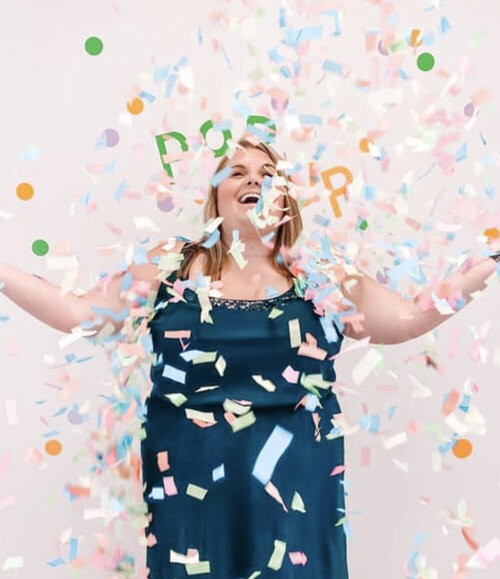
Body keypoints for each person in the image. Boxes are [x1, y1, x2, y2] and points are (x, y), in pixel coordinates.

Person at [1, 137, 499, 578]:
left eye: (267, 174)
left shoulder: (323, 275)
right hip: (190, 486)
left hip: (296, 484)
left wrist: (489, 265)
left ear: (286, 200)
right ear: (216, 196)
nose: (253, 180)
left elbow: (410, 317)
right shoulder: (170, 266)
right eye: (237, 172)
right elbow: (79, 313)